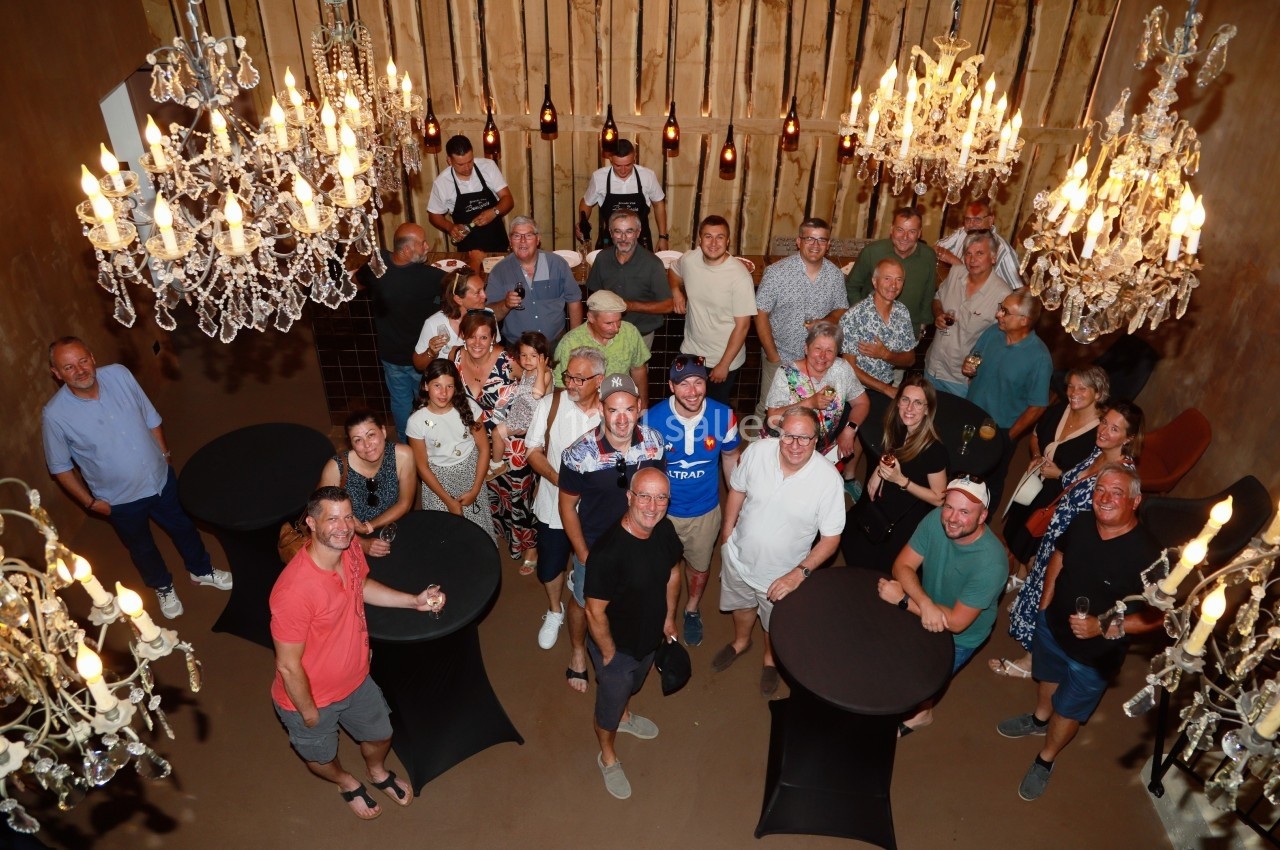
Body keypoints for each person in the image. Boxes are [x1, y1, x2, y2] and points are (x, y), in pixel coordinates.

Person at [270, 486, 443, 820]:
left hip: (357, 680)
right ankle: (345, 781)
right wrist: (308, 712)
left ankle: (376, 771)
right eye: (332, 519)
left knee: (382, 734)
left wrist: (413, 601)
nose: (343, 527)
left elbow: (360, 587)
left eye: (348, 517)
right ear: (311, 523)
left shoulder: (349, 549)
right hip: (311, 697)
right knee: (321, 757)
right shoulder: (293, 591)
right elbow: (288, 666)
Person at [996, 464, 1161, 801]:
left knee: (1069, 708)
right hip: (1053, 627)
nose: (1105, 498)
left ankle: (1046, 758)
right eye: (1101, 489)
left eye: (1117, 492)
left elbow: (1159, 617)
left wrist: (1103, 626)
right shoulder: (1082, 521)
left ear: (1135, 501)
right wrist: (1046, 604)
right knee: (1047, 677)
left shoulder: (1149, 556)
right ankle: (1039, 719)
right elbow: (1060, 555)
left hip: (1095, 655)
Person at [42, 337, 229, 619]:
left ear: (92, 357)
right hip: (119, 500)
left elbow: (151, 417)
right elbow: (59, 467)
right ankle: (163, 586)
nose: (79, 370)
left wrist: (165, 456)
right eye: (68, 367)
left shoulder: (119, 375)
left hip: (160, 479)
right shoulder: (55, 415)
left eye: (83, 361)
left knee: (184, 527)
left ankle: (201, 570)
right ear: (56, 373)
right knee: (142, 548)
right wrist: (90, 503)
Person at [994, 402, 1145, 679]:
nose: (1104, 431)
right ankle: (1027, 625)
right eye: (1104, 423)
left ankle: (1032, 661)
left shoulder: (1121, 477)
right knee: (1040, 585)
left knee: (1052, 597)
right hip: (1056, 536)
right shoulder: (1098, 452)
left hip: (1074, 548)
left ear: (1129, 438)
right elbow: (1074, 484)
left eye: (1114, 429)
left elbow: (1111, 522)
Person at [714, 406, 844, 697]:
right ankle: (741, 641)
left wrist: (798, 575)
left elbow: (831, 539)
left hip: (781, 575)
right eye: (788, 436)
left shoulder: (828, 481)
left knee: (773, 622)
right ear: (779, 433)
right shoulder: (757, 452)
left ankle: (770, 659)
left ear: (816, 440)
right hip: (738, 557)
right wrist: (726, 534)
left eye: (804, 438)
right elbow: (737, 489)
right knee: (741, 606)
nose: (795, 445)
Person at [558, 374, 665, 692]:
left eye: (629, 409)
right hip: (596, 548)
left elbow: (657, 495)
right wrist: (583, 554)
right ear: (601, 409)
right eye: (613, 410)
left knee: (634, 599)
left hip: (639, 544)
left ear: (639, 407)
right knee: (583, 603)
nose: (621, 419)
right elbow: (567, 507)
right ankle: (578, 650)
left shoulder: (654, 443)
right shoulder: (578, 453)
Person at [876, 476, 1006, 734]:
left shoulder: (991, 563)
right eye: (949, 506)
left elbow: (956, 623)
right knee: (907, 661)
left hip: (961, 637)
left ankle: (921, 715)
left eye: (965, 512)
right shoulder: (936, 518)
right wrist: (925, 603)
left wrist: (903, 600)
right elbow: (902, 565)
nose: (952, 518)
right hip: (927, 603)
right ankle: (922, 709)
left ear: (983, 516)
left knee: (925, 678)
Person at [584, 468, 682, 799]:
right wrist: (609, 654)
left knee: (633, 686)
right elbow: (593, 611)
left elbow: (673, 572)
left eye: (661, 497)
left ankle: (624, 716)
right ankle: (607, 756)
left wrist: (668, 618)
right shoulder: (608, 553)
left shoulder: (664, 529)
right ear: (629, 497)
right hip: (617, 647)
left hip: (649, 637)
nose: (652, 507)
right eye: (644, 496)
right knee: (608, 708)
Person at [640, 355, 742, 646]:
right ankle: (661, 613)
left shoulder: (724, 417)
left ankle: (692, 609)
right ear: (671, 386)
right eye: (684, 384)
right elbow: (644, 469)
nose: (693, 391)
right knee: (659, 567)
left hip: (705, 510)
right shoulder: (651, 420)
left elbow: (731, 460)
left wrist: (736, 510)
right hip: (662, 513)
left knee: (699, 566)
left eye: (698, 382)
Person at [525, 348, 606, 649]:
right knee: (549, 567)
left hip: (598, 511)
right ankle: (554, 610)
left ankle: (583, 588)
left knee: (596, 562)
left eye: (579, 379)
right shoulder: (551, 404)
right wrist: (562, 481)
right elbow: (532, 451)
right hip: (554, 507)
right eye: (568, 376)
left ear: (599, 380)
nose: (570, 384)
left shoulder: (612, 409)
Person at [1003, 366, 1109, 569]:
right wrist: (1036, 455)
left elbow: (1094, 477)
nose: (1074, 393)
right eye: (1071, 386)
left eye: (1082, 388)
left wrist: (1060, 474)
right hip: (1033, 484)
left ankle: (1023, 575)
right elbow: (1035, 437)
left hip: (1057, 497)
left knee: (1035, 543)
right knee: (1017, 528)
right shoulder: (1058, 410)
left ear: (1098, 393)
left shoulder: (1101, 433)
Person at [841, 375, 948, 573]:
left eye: (918, 403)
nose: (909, 408)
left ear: (927, 410)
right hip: (886, 500)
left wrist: (901, 481)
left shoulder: (934, 450)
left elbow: (939, 499)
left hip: (905, 515)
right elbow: (892, 451)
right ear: (898, 402)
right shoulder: (900, 427)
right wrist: (878, 470)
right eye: (905, 400)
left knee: (880, 567)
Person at [451, 312, 536, 559]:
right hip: (474, 442)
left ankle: (529, 546)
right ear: (463, 336)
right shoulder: (455, 357)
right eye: (471, 336)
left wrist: (530, 418)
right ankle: (494, 534)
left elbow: (539, 379)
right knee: (489, 493)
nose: (477, 343)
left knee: (518, 496)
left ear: (493, 338)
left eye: (484, 337)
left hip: (511, 442)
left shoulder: (510, 360)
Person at [964, 289, 1053, 511]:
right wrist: (968, 367)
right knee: (961, 465)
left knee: (989, 481)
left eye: (1005, 311)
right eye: (1000, 308)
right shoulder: (992, 332)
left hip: (999, 430)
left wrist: (1009, 437)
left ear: (1024, 320)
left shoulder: (1039, 358)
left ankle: (983, 519)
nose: (998, 315)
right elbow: (974, 359)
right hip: (970, 415)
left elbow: (1038, 406)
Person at [753, 218, 849, 424]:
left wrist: (827, 320)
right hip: (781, 355)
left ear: (828, 244)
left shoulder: (835, 276)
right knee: (769, 410)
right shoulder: (776, 273)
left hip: (818, 361)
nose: (815, 245)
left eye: (821, 240)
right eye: (809, 239)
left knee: (811, 412)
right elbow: (760, 314)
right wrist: (773, 356)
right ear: (798, 241)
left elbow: (842, 308)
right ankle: (757, 445)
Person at [355, 223, 443, 442]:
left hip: (390, 354)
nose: (427, 246)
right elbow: (459, 286)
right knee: (427, 402)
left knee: (400, 402)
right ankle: (430, 441)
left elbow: (357, 281)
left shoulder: (378, 263)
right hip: (420, 357)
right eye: (422, 244)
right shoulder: (428, 277)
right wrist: (476, 261)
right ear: (406, 250)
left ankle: (406, 442)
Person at [668, 214, 757, 406]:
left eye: (720, 237)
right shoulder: (690, 259)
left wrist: (724, 364)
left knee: (714, 411)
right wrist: (676, 291)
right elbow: (673, 271)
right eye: (708, 236)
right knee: (686, 405)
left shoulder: (739, 277)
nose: (714, 243)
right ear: (699, 240)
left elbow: (743, 326)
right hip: (690, 351)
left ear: (728, 241)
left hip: (722, 359)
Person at [405, 360, 494, 543]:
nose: (444, 393)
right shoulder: (416, 421)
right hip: (438, 483)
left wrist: (475, 489)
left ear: (456, 387)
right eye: (437, 386)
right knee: (445, 534)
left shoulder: (469, 407)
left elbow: (484, 448)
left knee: (477, 531)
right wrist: (448, 501)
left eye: (449, 386)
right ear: (425, 385)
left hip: (471, 474)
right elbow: (422, 466)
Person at [764, 322, 869, 470]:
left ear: (837, 353)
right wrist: (809, 403)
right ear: (806, 348)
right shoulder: (786, 373)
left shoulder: (842, 369)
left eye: (829, 350)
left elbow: (862, 403)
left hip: (822, 448)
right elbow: (772, 419)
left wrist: (850, 429)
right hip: (785, 447)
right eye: (818, 348)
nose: (822, 356)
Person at [924, 231, 1014, 397]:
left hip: (961, 381)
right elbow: (937, 299)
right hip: (932, 368)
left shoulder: (1003, 295)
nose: (972, 260)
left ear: (993, 258)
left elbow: (1001, 341)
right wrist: (938, 313)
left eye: (979, 253)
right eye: (968, 254)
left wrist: (978, 371)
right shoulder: (955, 273)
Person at [317, 410, 417, 557]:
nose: (367, 445)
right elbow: (323, 518)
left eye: (371, 435)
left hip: (391, 528)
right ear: (351, 443)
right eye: (358, 440)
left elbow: (404, 504)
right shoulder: (336, 468)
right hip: (346, 537)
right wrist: (360, 543)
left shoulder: (403, 455)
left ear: (383, 431)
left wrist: (368, 527)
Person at [485, 216, 583, 343]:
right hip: (517, 346)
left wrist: (574, 340)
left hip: (555, 343)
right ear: (510, 240)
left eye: (529, 235)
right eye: (517, 236)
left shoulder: (557, 264)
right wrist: (505, 304)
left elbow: (574, 300)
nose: (523, 241)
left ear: (538, 239)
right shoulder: (499, 271)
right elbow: (489, 315)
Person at [426, 134, 514, 271]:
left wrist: (494, 212)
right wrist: (450, 227)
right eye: (461, 164)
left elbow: (508, 199)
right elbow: (433, 215)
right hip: (468, 252)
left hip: (498, 246)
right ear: (449, 161)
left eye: (470, 161)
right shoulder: (442, 182)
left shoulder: (488, 167)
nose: (467, 168)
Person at [586, 209, 672, 348]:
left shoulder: (653, 264)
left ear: (638, 232)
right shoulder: (602, 258)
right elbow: (594, 295)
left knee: (637, 363)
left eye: (629, 231)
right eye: (618, 231)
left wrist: (630, 305)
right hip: (606, 333)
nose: (623, 238)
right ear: (611, 233)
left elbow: (668, 306)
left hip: (640, 333)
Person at [845, 206, 939, 330]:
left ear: (919, 233)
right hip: (871, 326)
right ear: (891, 229)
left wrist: (922, 326)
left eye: (912, 231)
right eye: (900, 230)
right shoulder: (872, 252)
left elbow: (928, 293)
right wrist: (864, 314)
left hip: (909, 328)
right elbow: (851, 287)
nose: (905, 237)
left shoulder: (928, 256)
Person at [838, 256, 919, 397]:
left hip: (887, 388)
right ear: (875, 282)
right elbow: (848, 366)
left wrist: (885, 354)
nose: (893, 285)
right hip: (856, 393)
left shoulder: (902, 312)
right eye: (887, 278)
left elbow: (910, 359)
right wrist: (886, 389)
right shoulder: (854, 316)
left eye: (899, 279)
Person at [552, 290, 651, 402]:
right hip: (584, 406)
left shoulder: (630, 332)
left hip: (620, 404)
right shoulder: (570, 342)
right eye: (609, 323)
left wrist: (643, 405)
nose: (616, 329)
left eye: (618, 321)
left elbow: (638, 370)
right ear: (591, 318)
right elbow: (561, 384)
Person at [576, 139, 669, 253]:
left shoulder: (647, 176)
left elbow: (658, 204)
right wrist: (582, 222)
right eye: (618, 165)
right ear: (610, 158)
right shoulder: (599, 177)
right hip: (610, 240)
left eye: (628, 165)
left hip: (641, 239)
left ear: (634, 157)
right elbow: (586, 203)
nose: (623, 170)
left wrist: (663, 237)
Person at [489, 332, 553, 486]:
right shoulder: (526, 371)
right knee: (496, 434)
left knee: (496, 433)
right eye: (524, 355)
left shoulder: (545, 373)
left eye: (533, 356)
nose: (527, 360)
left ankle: (496, 465)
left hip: (527, 418)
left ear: (543, 357)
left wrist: (541, 369)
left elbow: (537, 394)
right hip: (520, 414)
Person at [412, 270, 499, 368]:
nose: (485, 296)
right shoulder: (434, 323)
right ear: (458, 299)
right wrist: (431, 352)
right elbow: (419, 365)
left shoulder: (488, 315)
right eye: (477, 292)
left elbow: (495, 352)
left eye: (484, 289)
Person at [935, 199, 1023, 289]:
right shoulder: (963, 233)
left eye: (977, 220)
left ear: (990, 220)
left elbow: (1019, 291)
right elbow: (935, 249)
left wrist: (956, 262)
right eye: (968, 219)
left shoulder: (1003, 251)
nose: (971, 224)